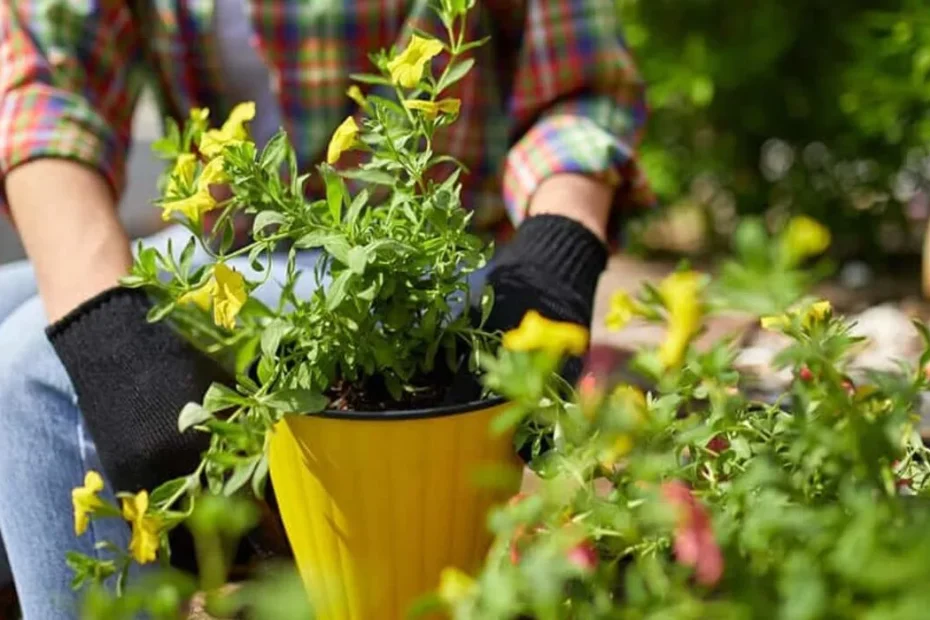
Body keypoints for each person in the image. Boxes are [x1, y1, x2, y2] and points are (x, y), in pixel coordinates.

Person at [0, 0, 652, 617]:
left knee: (30, 366)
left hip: (412, 264)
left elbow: (583, 86)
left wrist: (551, 265)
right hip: (240, 247)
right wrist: (112, 342)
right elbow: (48, 81)